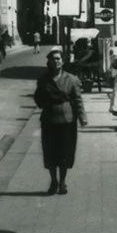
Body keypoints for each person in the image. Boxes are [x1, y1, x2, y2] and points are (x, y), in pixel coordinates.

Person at [33, 49, 88, 195]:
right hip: (49, 120)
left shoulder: (72, 79)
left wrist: (83, 117)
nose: (56, 61)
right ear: (48, 62)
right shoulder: (43, 80)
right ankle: (53, 181)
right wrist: (45, 101)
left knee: (65, 153)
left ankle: (62, 181)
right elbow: (37, 98)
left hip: (67, 120)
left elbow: (78, 100)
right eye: (53, 59)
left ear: (63, 61)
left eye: (58, 59)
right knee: (50, 153)